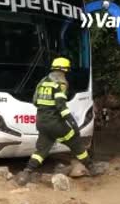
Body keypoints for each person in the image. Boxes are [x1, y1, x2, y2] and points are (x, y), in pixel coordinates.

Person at [16, 57, 99, 186]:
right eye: (66, 71)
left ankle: (26, 173)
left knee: (41, 151)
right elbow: (61, 107)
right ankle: (92, 168)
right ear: (63, 70)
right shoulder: (60, 84)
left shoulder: (42, 82)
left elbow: (35, 101)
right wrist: (72, 123)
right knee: (75, 142)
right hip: (55, 124)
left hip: (41, 123)